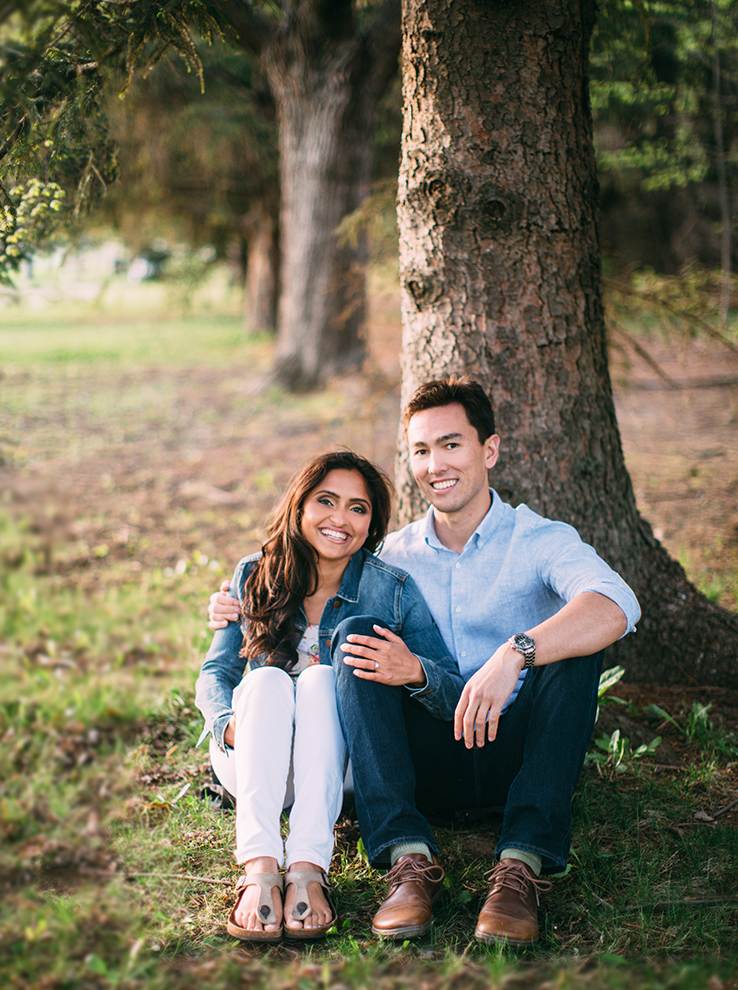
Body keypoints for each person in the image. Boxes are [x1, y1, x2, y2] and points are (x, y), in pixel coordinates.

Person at [208, 378, 640, 947]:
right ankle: (407, 863)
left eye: (451, 444)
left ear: (489, 450)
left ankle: (520, 869)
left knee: (575, 644)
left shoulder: (539, 540)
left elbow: (617, 605)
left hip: (519, 751)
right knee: (361, 636)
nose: (436, 464)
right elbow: (309, 600)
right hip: (426, 755)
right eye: (420, 450)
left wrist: (516, 653)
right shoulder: (389, 559)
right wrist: (236, 606)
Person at [196, 450, 464, 942]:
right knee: (267, 680)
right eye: (327, 501)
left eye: (358, 509)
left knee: (321, 680)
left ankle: (306, 868)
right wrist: (228, 724)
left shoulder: (392, 591)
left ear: (372, 524)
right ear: (300, 507)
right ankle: (258, 866)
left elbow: (450, 688)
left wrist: (412, 670)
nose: (341, 519)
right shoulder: (254, 573)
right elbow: (215, 671)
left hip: (338, 771)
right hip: (253, 757)